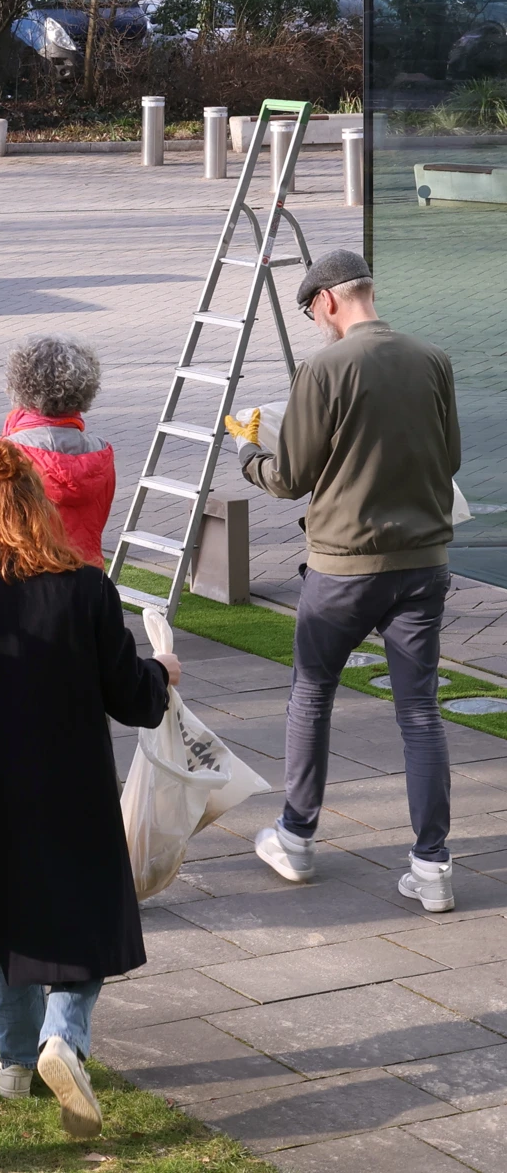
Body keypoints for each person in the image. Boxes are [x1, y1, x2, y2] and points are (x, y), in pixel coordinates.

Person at [0, 441, 176, 1139]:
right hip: (76, 777)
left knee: (7, 912)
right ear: (41, 511)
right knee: (93, 914)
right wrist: (163, 670)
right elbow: (133, 696)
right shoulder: (86, 590)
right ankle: (63, 1034)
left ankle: (14, 1060)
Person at [225, 250, 462, 910]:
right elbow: (449, 457)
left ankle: (296, 838)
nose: (313, 323)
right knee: (419, 711)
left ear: (328, 300)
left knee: (312, 690)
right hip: (422, 562)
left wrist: (245, 449)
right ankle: (432, 865)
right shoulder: (431, 358)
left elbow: (287, 478)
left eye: (310, 311)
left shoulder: (323, 368)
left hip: (342, 565)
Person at [0, 335, 114, 567]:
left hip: (20, 583)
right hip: (84, 580)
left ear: (20, 385)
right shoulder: (101, 453)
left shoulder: (4, 454)